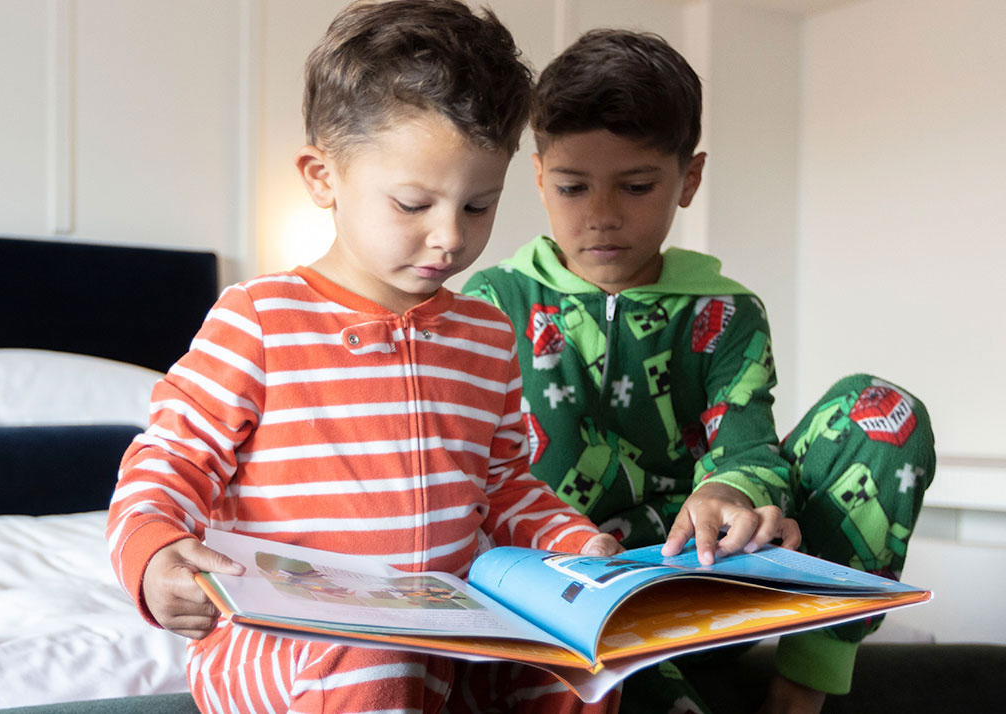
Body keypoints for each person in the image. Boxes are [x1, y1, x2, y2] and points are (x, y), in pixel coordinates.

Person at [105, 2, 625, 712]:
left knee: (578, 665)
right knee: (372, 653)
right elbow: (170, 461)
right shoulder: (259, 318)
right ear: (323, 178)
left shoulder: (485, 336)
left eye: (478, 206)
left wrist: (571, 540)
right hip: (285, 639)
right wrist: (154, 552)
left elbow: (502, 486)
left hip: (443, 635)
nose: (450, 238)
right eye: (413, 205)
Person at [461, 29, 936, 714]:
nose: (601, 215)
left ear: (689, 179)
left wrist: (731, 493)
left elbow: (747, 446)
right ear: (538, 178)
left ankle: (801, 690)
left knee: (880, 409)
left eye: (635, 185)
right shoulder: (489, 305)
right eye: (572, 186)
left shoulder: (727, 312)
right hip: (560, 593)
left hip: (698, 577)